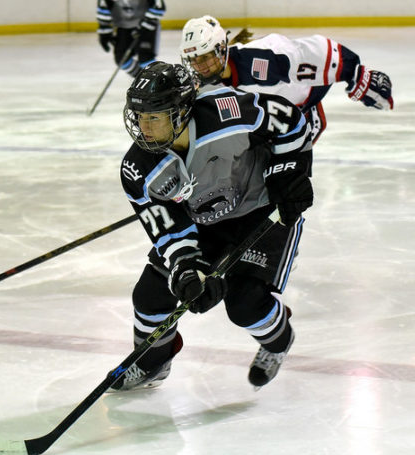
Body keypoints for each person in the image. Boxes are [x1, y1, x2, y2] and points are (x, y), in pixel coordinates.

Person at [111, 61, 313, 392]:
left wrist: (289, 173)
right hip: (205, 218)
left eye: (153, 118)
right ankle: (151, 362)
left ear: (180, 112)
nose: (143, 128)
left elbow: (289, 120)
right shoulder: (139, 168)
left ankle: (279, 341)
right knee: (150, 295)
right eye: (139, 117)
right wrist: (188, 271)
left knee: (246, 304)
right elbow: (170, 232)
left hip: (262, 210)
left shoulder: (225, 111)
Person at [179, 16, 394, 143]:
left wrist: (354, 73)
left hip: (299, 113)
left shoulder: (263, 58)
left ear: (221, 49)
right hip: (264, 124)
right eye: (193, 59)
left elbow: (311, 51)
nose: (201, 66)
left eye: (206, 56)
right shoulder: (200, 85)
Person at [96, 0, 166, 78]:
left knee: (146, 58)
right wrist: (105, 31)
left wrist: (146, 24)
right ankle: (143, 78)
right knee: (121, 59)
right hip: (123, 26)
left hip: (147, 25)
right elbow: (104, 5)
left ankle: (158, 81)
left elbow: (158, 5)